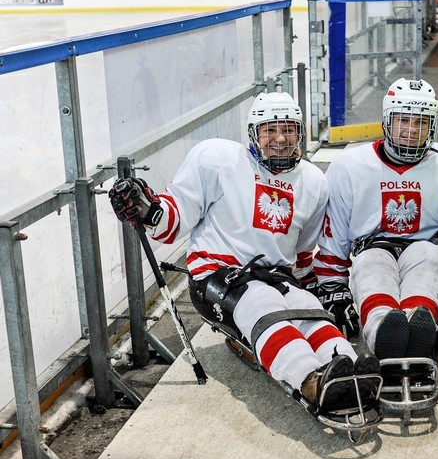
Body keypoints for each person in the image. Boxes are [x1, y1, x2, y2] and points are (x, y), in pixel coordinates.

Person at [108, 91, 380, 414]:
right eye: (270, 130)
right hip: (217, 277)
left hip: (278, 277)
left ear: (300, 133)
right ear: (253, 133)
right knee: (260, 304)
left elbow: (303, 253)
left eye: (289, 130)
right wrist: (151, 211)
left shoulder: (313, 181)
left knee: (307, 307)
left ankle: (348, 370)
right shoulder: (216, 159)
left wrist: (314, 289)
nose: (280, 138)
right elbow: (175, 218)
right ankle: (312, 381)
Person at [313, 78, 438, 361]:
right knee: (370, 266)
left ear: (433, 126)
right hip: (372, 247)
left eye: (421, 123)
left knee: (431, 258)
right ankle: (383, 330)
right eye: (403, 121)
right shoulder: (350, 165)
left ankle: (420, 323)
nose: (411, 131)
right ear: (387, 121)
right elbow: (335, 231)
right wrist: (334, 287)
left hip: (421, 247)